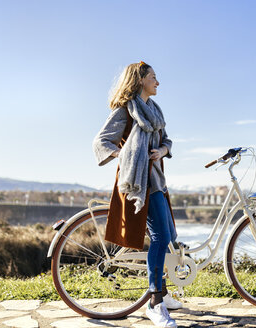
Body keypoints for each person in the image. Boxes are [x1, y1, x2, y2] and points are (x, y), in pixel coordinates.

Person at [93, 61, 180, 328]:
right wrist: (128, 154)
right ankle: (155, 303)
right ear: (141, 79)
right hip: (138, 181)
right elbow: (101, 141)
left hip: (157, 178)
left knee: (170, 237)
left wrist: (163, 151)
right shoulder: (126, 110)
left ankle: (162, 291)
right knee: (161, 236)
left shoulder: (154, 109)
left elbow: (166, 141)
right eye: (153, 77)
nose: (158, 82)